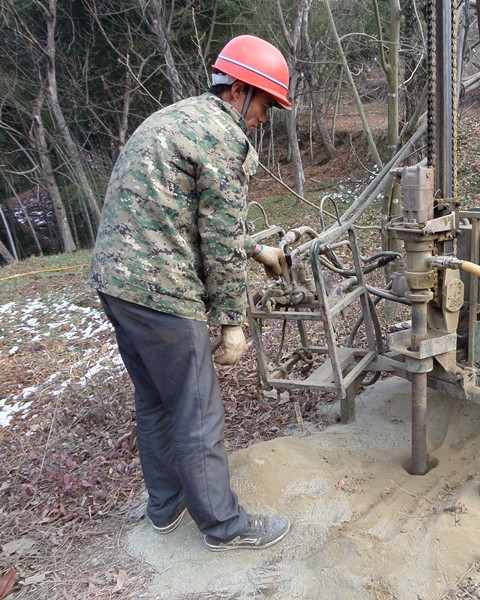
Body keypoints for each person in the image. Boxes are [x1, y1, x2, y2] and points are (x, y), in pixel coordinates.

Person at [89, 35, 291, 552]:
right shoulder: (222, 137)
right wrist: (233, 323)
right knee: (197, 407)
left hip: (116, 283)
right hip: (161, 289)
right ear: (240, 90)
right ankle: (224, 526)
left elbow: (181, 211)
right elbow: (217, 240)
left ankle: (166, 505)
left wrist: (257, 248)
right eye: (266, 104)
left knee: (155, 400)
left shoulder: (176, 118)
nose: (264, 118)